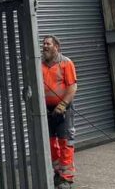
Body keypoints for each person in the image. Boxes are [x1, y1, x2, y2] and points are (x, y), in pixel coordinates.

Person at [41, 34, 77, 186]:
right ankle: (57, 172)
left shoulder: (66, 63)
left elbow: (72, 87)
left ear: (56, 47)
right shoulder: (40, 64)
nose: (45, 46)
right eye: (43, 44)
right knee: (50, 142)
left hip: (63, 109)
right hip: (46, 110)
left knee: (65, 141)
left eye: (48, 44)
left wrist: (62, 105)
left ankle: (66, 177)